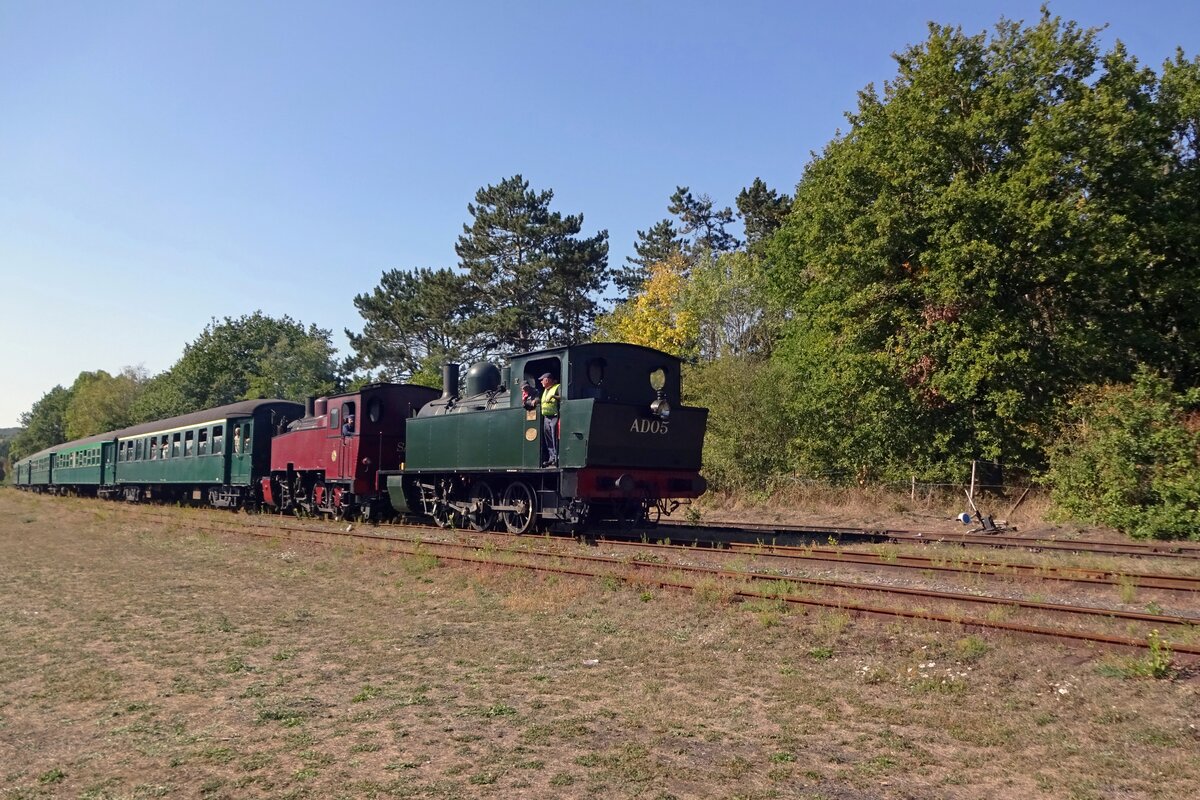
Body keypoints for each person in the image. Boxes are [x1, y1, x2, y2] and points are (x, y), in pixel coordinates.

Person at [538, 372, 561, 466]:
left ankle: (557, 458)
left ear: (547, 380)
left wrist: (553, 396)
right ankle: (551, 458)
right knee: (548, 439)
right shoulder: (545, 390)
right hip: (546, 417)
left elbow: (562, 397)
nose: (541, 382)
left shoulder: (557, 387)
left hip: (555, 416)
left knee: (554, 437)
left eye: (542, 380)